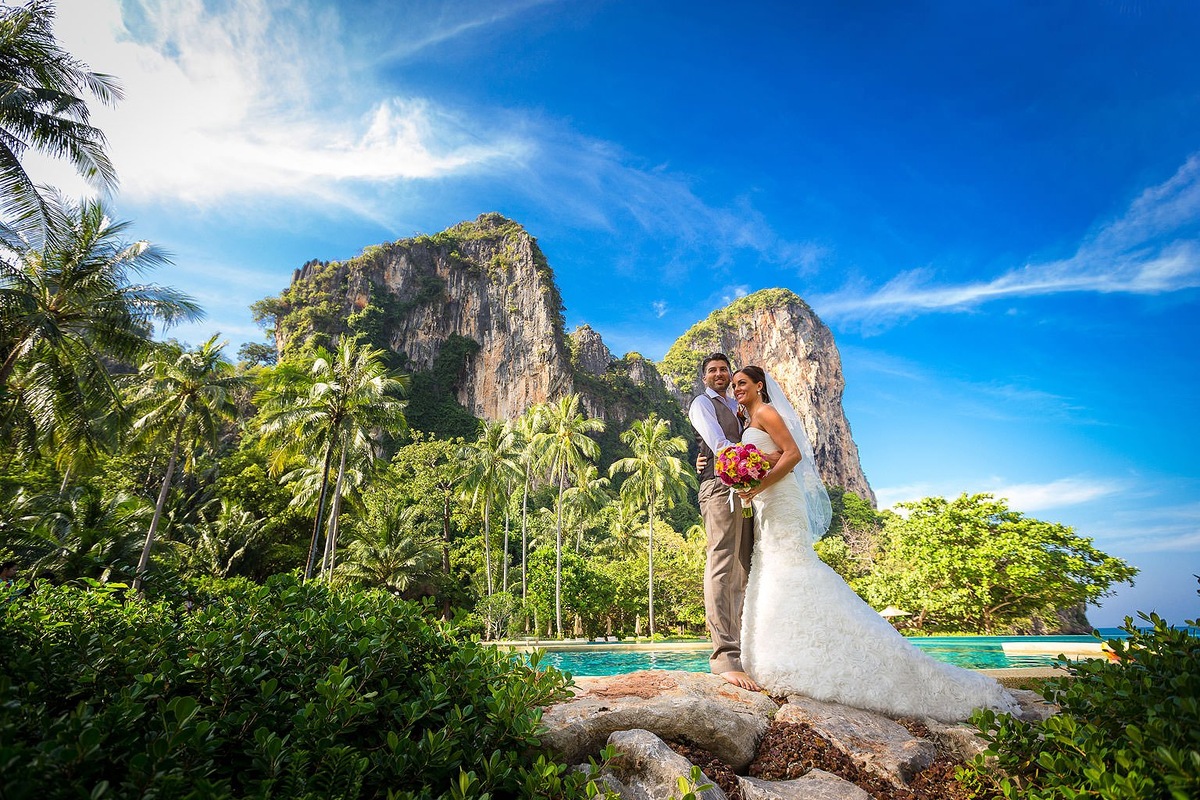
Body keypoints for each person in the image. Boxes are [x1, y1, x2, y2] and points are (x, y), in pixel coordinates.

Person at [730, 365, 1018, 722]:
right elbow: (772, 457)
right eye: (733, 385)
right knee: (772, 567)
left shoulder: (767, 412)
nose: (736, 388)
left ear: (759, 385)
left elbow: (793, 454)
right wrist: (752, 480)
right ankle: (776, 652)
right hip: (765, 504)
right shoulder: (748, 423)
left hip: (782, 500)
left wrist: (760, 481)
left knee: (793, 566)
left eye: (742, 382)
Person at [687, 353, 768, 691]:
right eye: (713, 371)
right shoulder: (701, 405)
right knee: (722, 563)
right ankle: (724, 657)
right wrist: (748, 461)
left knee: (744, 566)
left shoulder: (741, 409)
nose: (719, 375)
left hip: (747, 488)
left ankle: (747, 650)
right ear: (705, 377)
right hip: (721, 487)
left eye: (724, 370)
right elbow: (718, 444)